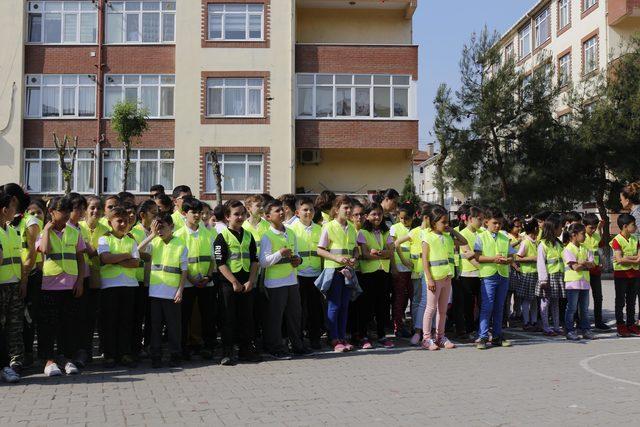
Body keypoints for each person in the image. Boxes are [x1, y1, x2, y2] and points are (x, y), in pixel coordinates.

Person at [37, 196, 85, 377]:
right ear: (52, 212)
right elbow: (45, 249)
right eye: (62, 211)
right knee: (49, 326)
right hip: (50, 287)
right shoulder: (45, 232)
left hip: (70, 286)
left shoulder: (74, 232)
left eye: (68, 211)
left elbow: (80, 259)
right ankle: (49, 360)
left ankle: (67, 358)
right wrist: (47, 230)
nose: (66, 214)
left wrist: (80, 280)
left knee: (68, 325)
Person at [259, 200, 310, 359]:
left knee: (295, 315)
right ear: (268, 217)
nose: (281, 213)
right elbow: (263, 261)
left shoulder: (290, 232)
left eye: (281, 210)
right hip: (275, 283)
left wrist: (298, 260)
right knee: (275, 317)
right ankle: (275, 347)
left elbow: (297, 254)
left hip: (291, 280)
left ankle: (297, 345)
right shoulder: (267, 235)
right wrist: (280, 253)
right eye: (276, 211)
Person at [214, 201, 261, 365]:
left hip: (246, 282)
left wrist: (250, 281)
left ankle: (246, 350)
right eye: (236, 214)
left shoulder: (249, 235)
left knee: (247, 317)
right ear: (227, 217)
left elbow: (255, 261)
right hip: (229, 283)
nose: (240, 217)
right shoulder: (222, 237)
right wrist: (234, 282)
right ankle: (227, 352)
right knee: (228, 318)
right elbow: (220, 263)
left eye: (242, 213)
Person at [137, 213, 187, 368]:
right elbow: (137, 250)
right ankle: (156, 356)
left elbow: (184, 270)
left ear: (171, 227)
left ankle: (175, 355)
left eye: (162, 227)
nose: (159, 231)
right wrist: (151, 235)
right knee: (155, 327)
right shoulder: (155, 242)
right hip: (155, 293)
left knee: (174, 327)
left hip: (172, 293)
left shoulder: (180, 244)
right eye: (156, 227)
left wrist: (180, 290)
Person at [174, 197, 217, 361]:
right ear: (184, 213)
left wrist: (209, 276)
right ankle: (183, 349)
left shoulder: (208, 234)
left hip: (207, 282)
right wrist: (191, 279)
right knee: (184, 318)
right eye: (193, 212)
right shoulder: (178, 235)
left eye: (199, 212)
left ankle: (208, 347)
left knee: (208, 316)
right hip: (187, 283)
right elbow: (178, 261)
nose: (198, 216)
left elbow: (213, 259)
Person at [98, 207, 140, 368]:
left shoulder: (131, 240)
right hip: (110, 286)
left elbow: (136, 262)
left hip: (129, 285)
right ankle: (109, 354)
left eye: (126, 221)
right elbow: (105, 258)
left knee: (126, 321)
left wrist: (115, 259)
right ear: (110, 222)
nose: (123, 224)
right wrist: (126, 256)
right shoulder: (104, 239)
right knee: (110, 321)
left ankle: (124, 353)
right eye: (119, 221)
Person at [316, 196, 358, 353]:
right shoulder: (328, 226)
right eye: (345, 208)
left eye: (349, 208)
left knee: (345, 305)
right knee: (334, 305)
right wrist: (336, 258)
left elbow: (354, 249)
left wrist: (355, 257)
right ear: (337, 209)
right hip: (333, 270)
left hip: (348, 271)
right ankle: (333, 338)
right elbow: (320, 249)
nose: (348, 211)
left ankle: (342, 337)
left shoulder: (352, 228)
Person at [421, 206, 461, 351]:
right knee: (430, 308)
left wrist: (453, 230)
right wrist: (429, 279)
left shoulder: (448, 237)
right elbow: (424, 260)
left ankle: (440, 337)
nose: (446, 225)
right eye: (443, 222)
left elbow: (463, 242)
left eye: (447, 222)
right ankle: (426, 338)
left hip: (446, 277)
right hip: (434, 278)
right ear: (433, 223)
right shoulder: (427, 237)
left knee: (443, 310)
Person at [356, 203, 395, 349]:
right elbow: (365, 254)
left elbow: (391, 251)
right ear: (367, 216)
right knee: (366, 306)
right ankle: (363, 336)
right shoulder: (362, 233)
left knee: (382, 306)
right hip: (368, 275)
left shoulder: (386, 232)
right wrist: (383, 253)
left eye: (379, 214)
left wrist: (378, 253)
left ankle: (382, 335)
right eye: (373, 214)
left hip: (383, 273)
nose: (377, 217)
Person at [474, 207, 514, 350]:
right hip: (488, 276)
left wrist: (507, 260)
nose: (497, 226)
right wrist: (493, 259)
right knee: (487, 306)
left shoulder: (504, 237)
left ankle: (497, 336)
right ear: (486, 222)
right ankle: (483, 336)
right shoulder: (481, 237)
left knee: (499, 307)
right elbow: (477, 257)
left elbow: (511, 256)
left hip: (503, 275)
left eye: (500, 223)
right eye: (495, 223)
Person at [78, 196, 110, 364]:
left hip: (98, 278)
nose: (95, 211)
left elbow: (100, 254)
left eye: (98, 208)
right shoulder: (78, 227)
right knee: (80, 316)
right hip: (80, 278)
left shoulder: (105, 230)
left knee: (93, 317)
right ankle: (81, 350)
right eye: (92, 208)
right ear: (85, 210)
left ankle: (90, 350)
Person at [289, 197, 324, 350]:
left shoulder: (320, 229)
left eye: (311, 209)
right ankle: (298, 339)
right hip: (298, 275)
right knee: (298, 310)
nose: (308, 212)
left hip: (316, 274)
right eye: (305, 210)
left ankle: (315, 338)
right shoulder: (290, 229)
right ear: (297, 212)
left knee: (315, 309)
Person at [0, 190, 24, 383]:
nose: (16, 211)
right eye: (13, 207)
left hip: (14, 284)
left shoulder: (13, 231)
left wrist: (22, 281)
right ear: (4, 209)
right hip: (1, 286)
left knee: (14, 326)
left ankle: (15, 362)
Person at [65, 193, 92, 366]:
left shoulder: (80, 227)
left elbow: (88, 253)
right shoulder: (64, 228)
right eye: (77, 208)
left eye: (83, 208)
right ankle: (70, 353)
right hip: (68, 280)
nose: (81, 211)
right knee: (70, 319)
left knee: (84, 318)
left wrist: (81, 280)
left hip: (83, 278)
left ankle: (82, 352)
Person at [129, 200, 158, 359]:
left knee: (151, 317)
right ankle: (135, 347)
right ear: (142, 215)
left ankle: (148, 345)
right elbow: (135, 252)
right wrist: (149, 257)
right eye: (153, 213)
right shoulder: (135, 232)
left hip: (154, 280)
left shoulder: (158, 231)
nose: (156, 216)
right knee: (137, 316)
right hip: (139, 280)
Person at [19, 199, 45, 368]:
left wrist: (26, 275)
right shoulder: (19, 225)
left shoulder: (44, 230)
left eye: (39, 212)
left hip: (34, 275)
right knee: (21, 317)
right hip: (19, 275)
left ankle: (31, 353)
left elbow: (34, 254)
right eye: (31, 212)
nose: (35, 216)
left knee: (32, 316)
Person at [562, 223, 596, 341]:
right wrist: (584, 263)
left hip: (585, 282)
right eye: (582, 234)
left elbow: (592, 264)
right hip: (572, 283)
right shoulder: (567, 249)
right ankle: (570, 330)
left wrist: (582, 263)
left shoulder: (586, 248)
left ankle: (586, 330)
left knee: (584, 308)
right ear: (574, 235)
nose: (585, 236)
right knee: (571, 308)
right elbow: (575, 267)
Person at [610, 213, 640, 337]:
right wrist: (633, 259)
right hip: (621, 275)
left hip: (635, 274)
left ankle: (631, 324)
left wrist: (626, 257)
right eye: (633, 225)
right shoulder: (616, 240)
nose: (636, 227)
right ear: (625, 226)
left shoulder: (635, 239)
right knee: (620, 301)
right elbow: (619, 259)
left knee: (632, 301)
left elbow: (638, 258)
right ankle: (620, 325)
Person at [456, 206, 483, 340]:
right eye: (479, 219)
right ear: (470, 219)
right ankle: (470, 329)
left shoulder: (482, 232)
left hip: (481, 274)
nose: (481, 222)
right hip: (467, 274)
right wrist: (483, 269)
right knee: (468, 304)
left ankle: (481, 329)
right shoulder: (463, 234)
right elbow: (469, 256)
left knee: (482, 303)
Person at [536, 214, 565, 336]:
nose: (562, 230)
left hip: (558, 276)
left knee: (555, 303)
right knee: (545, 302)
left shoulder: (558, 243)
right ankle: (546, 327)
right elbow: (541, 263)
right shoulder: (543, 245)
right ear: (553, 228)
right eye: (560, 228)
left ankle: (557, 326)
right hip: (548, 277)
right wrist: (543, 280)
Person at [389, 203, 414, 338]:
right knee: (399, 299)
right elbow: (393, 247)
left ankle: (415, 327)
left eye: (407, 218)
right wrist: (400, 263)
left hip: (414, 270)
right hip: (400, 268)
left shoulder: (417, 228)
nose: (403, 221)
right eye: (401, 218)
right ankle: (398, 326)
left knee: (413, 299)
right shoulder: (394, 228)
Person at [583, 213, 609, 330]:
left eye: (595, 227)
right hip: (584, 271)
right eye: (590, 227)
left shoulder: (597, 236)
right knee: (583, 298)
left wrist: (603, 262)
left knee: (598, 296)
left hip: (596, 271)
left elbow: (600, 250)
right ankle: (581, 321)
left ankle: (599, 321)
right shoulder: (581, 237)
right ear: (584, 226)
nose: (593, 230)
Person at [515, 219, 539, 332]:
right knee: (527, 299)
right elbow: (518, 257)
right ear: (535, 228)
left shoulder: (537, 241)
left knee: (534, 299)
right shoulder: (525, 242)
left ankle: (534, 321)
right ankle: (526, 322)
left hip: (536, 273)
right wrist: (532, 259)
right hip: (527, 273)